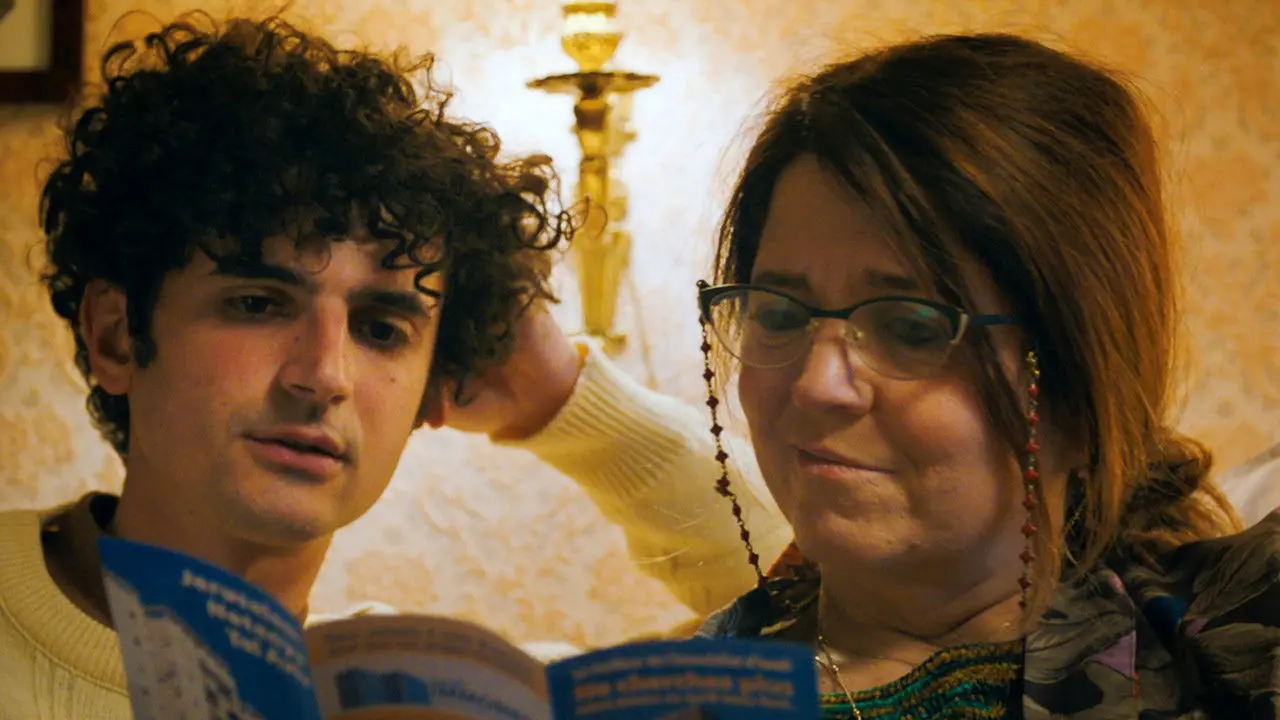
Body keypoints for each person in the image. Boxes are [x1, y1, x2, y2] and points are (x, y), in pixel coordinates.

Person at [0, 14, 787, 720]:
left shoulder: (433, 695)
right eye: (258, 303)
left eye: (381, 328)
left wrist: (559, 395)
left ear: (433, 386)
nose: (324, 375)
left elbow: (814, 617)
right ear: (115, 336)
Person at [686, 32, 1280, 718]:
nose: (817, 383)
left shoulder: (1235, 651)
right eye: (779, 314)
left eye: (912, 328)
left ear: (1080, 393)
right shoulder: (674, 694)